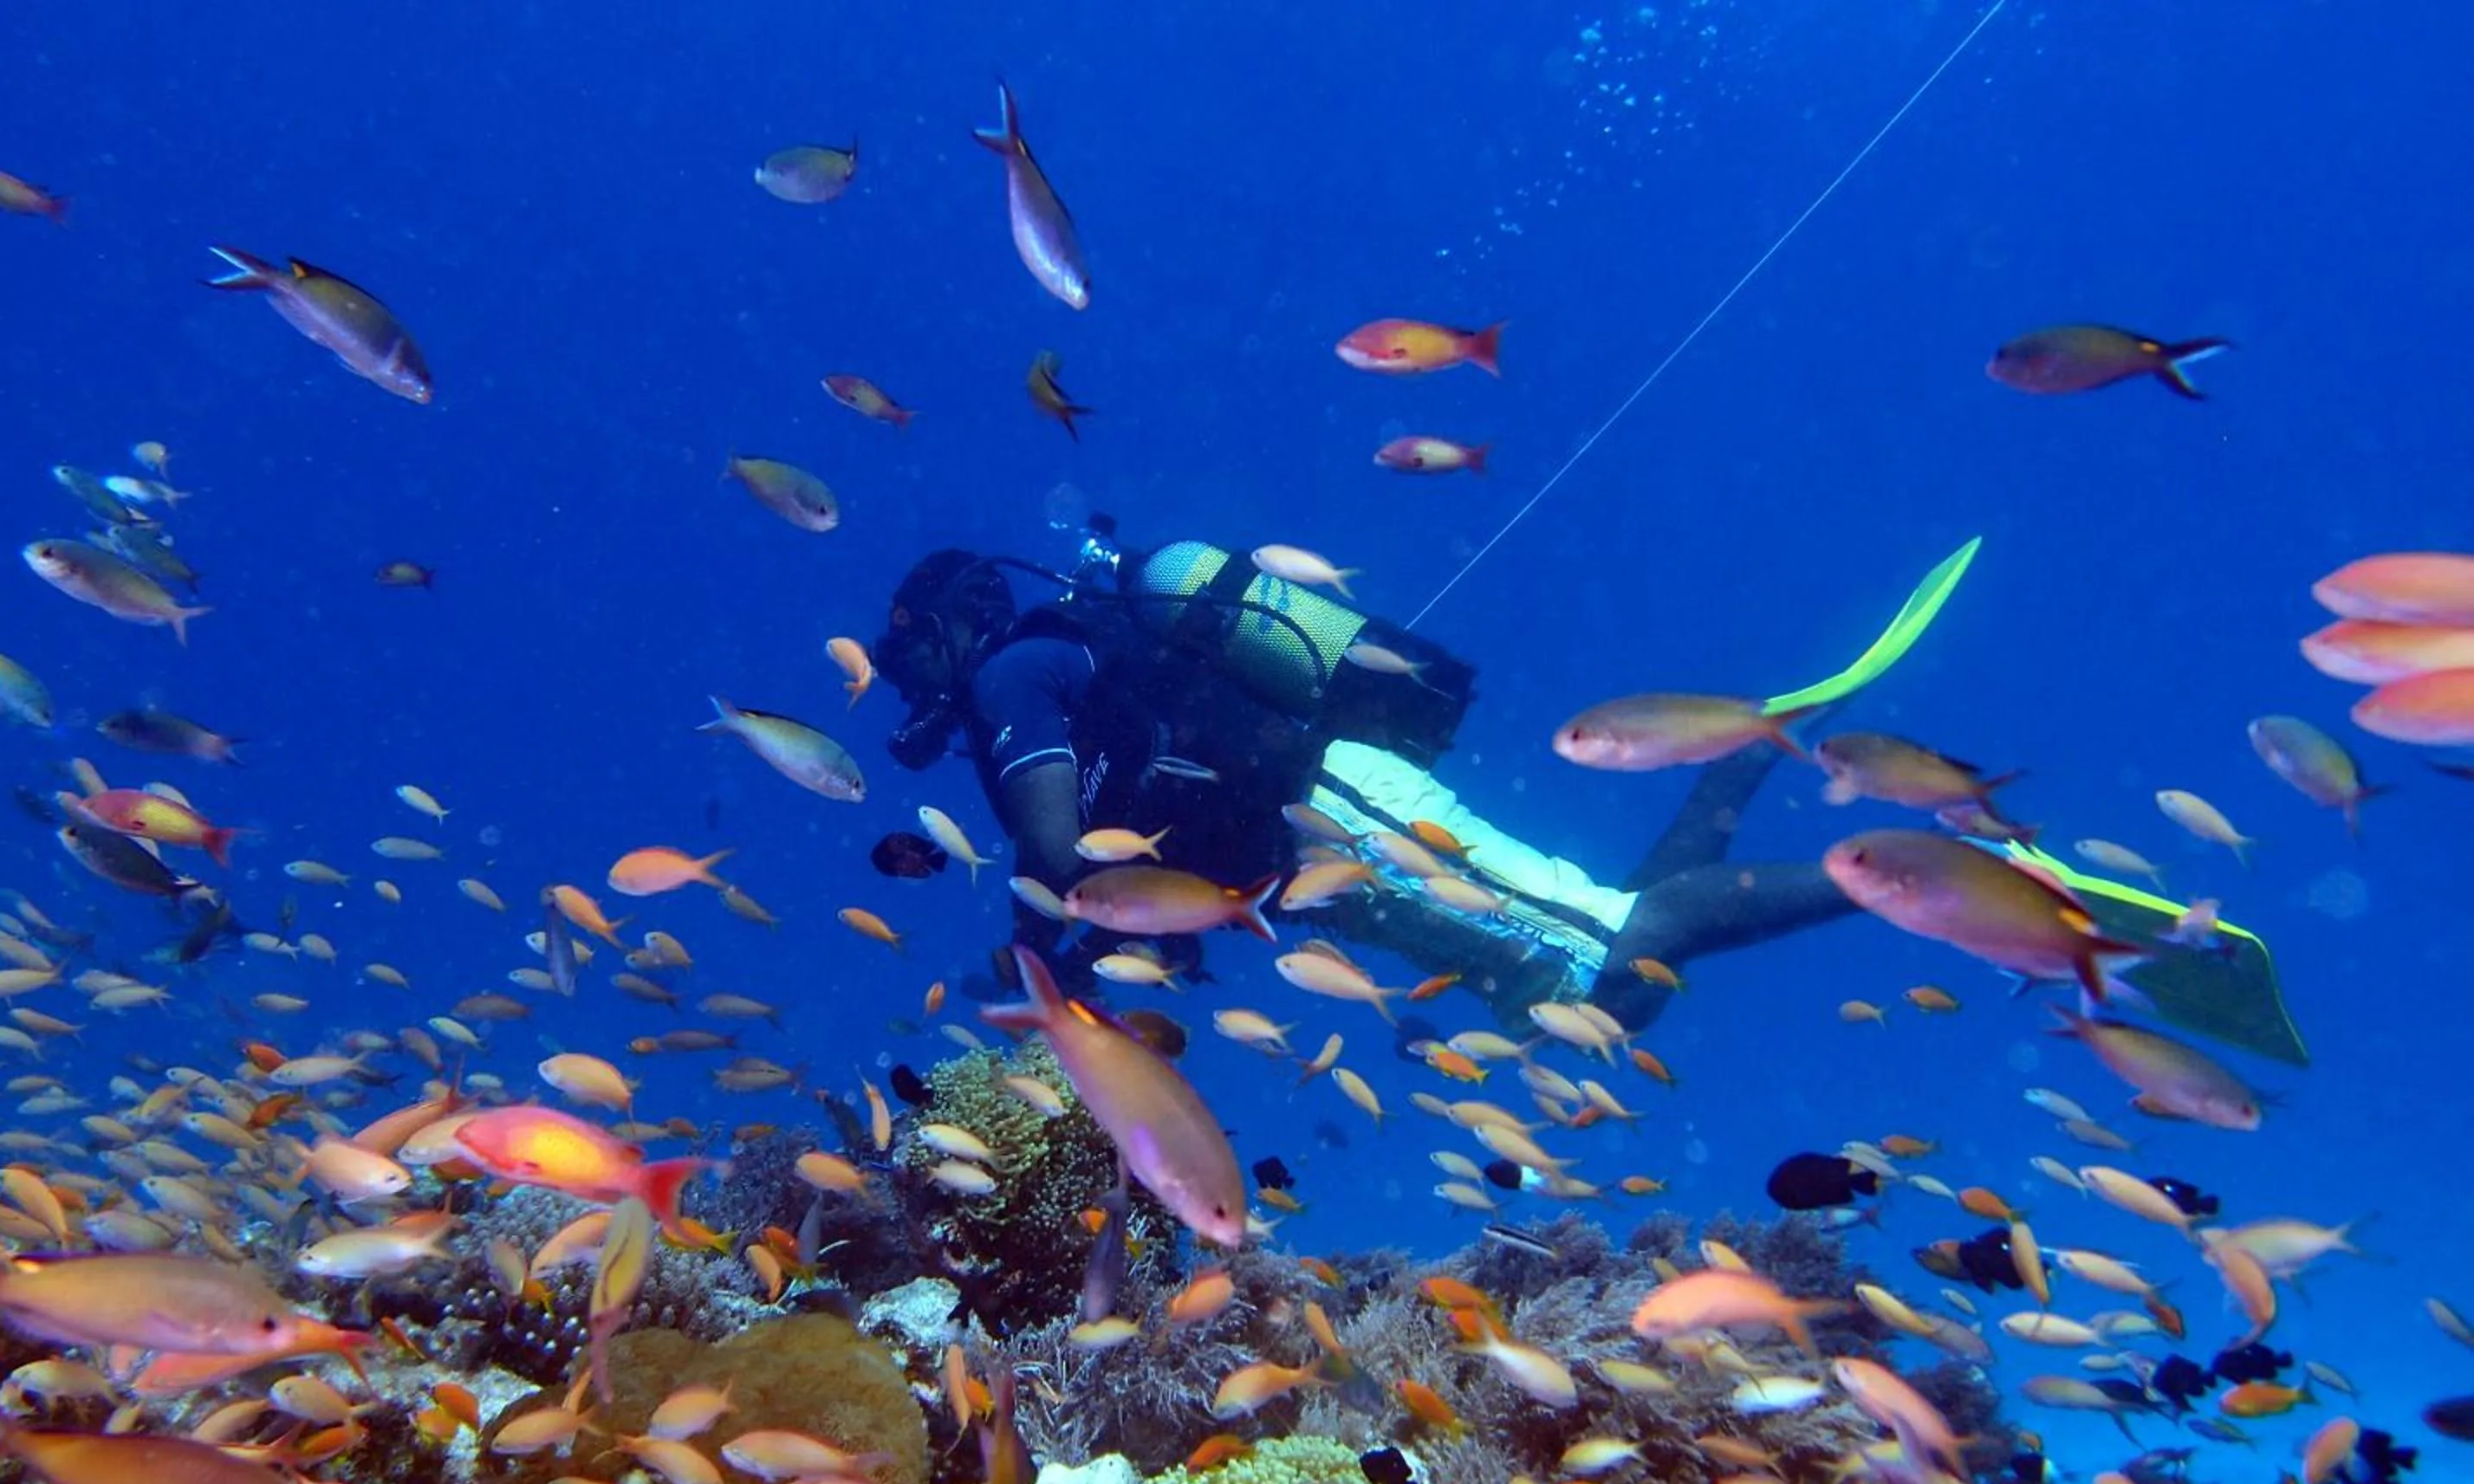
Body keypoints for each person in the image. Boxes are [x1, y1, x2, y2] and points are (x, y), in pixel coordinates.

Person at [872, 522, 2305, 1061]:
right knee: (1597, 958)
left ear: (949, 630)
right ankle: (1759, 740)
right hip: (1335, 839)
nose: (910, 687)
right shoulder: (1065, 657)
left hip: (1341, 811)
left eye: (903, 657)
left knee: (1617, 945)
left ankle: (1974, 879)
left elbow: (1067, 849)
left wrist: (1058, 933)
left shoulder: (1016, 686)